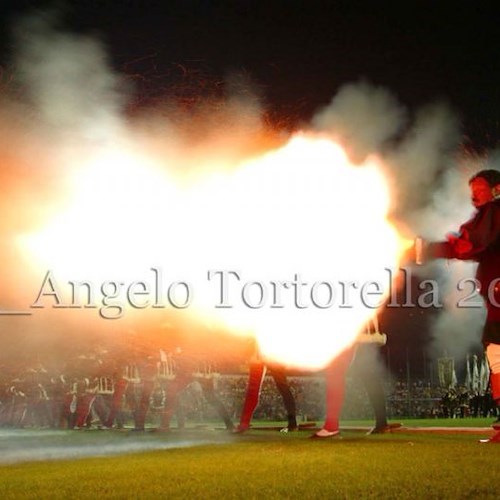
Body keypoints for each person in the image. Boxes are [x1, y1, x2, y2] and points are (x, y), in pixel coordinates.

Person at [422, 169, 500, 443]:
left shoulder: (495, 212)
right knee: (496, 357)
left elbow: (473, 244)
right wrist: (425, 250)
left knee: (498, 356)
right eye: (472, 190)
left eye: (479, 188)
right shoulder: (488, 216)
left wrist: (432, 249)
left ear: (496, 189)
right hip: (496, 304)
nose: (473, 195)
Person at [234, 357, 297, 433]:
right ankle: (292, 423)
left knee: (254, 389)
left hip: (264, 355)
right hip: (269, 355)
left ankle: (244, 424)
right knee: (283, 387)